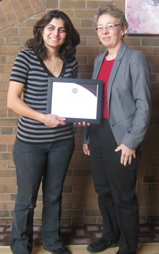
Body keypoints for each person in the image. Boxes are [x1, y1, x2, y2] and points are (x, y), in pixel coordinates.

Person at [7, 10, 80, 254]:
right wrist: (42, 118)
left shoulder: (71, 62)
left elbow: (73, 100)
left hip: (62, 142)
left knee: (53, 196)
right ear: (41, 30)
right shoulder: (26, 58)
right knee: (26, 200)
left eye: (61, 29)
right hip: (30, 143)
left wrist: (81, 116)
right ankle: (20, 245)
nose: (55, 33)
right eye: (50, 27)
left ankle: (52, 242)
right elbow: (12, 100)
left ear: (66, 34)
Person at [83, 5, 151, 254]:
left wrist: (132, 141)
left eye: (110, 26)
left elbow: (143, 105)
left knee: (124, 195)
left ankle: (128, 245)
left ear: (123, 29)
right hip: (98, 134)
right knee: (103, 190)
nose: (104, 31)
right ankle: (110, 235)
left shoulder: (135, 58)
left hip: (122, 138)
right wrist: (88, 136)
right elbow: (96, 102)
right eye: (100, 27)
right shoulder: (99, 60)